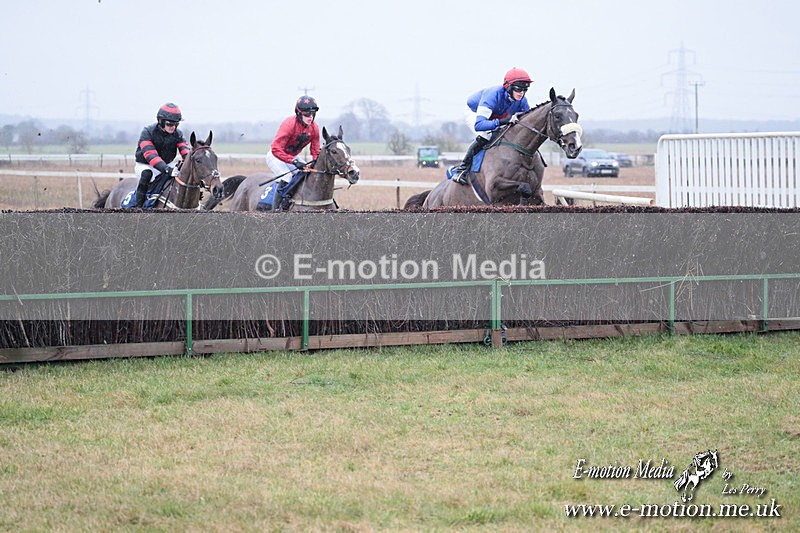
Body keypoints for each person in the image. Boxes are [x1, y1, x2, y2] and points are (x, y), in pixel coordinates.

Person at [451, 67, 533, 184]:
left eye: (525, 89)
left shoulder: (522, 100)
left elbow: (527, 120)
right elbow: (479, 125)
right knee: (486, 135)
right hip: (475, 112)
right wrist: (503, 121)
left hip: (496, 115)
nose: (522, 93)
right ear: (508, 86)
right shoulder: (493, 95)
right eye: (518, 89)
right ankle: (461, 170)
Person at [265, 95, 321, 210]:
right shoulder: (289, 125)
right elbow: (276, 148)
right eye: (307, 114)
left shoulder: (314, 128)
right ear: (299, 113)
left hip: (291, 156)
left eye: (312, 114)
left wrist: (316, 162)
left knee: (307, 173)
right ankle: (276, 209)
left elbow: (315, 150)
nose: (310, 117)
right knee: (287, 178)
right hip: (276, 156)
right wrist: (294, 161)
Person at [133, 103, 190, 207]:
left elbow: (185, 151)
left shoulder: (178, 134)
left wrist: (191, 161)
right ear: (161, 121)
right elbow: (150, 155)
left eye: (176, 124)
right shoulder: (147, 132)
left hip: (166, 164)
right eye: (169, 124)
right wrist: (167, 169)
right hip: (146, 164)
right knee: (147, 174)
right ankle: (138, 208)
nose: (173, 127)